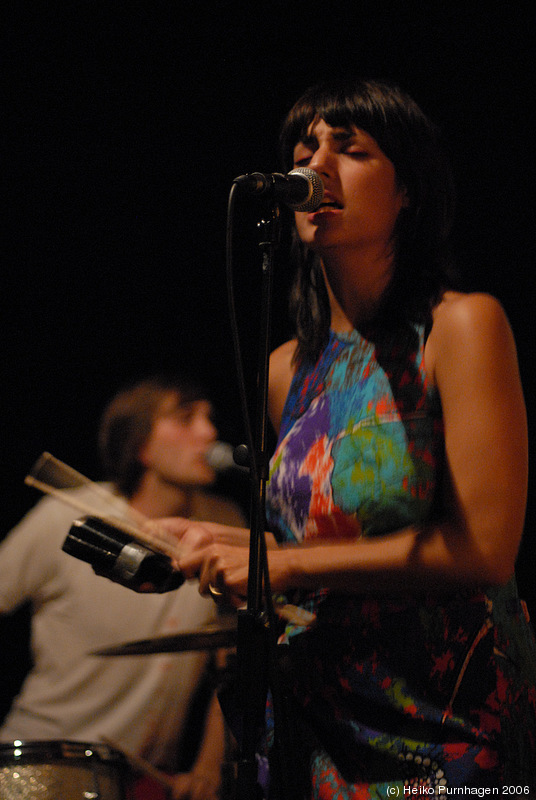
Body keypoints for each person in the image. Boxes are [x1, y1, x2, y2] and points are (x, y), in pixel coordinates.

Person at [158, 80, 536, 796]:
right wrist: (230, 549)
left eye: (350, 148)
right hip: (320, 727)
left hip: (448, 730)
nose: (316, 160)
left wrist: (289, 568)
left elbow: (485, 548)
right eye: (307, 146)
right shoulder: (284, 370)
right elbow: (312, 549)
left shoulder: (462, 327)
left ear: (408, 195)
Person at [0, 376, 247, 800]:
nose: (209, 432)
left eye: (209, 418)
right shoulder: (65, 515)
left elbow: (236, 663)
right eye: (187, 419)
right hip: (44, 764)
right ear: (141, 446)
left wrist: (208, 768)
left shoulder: (225, 523)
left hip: (147, 779)